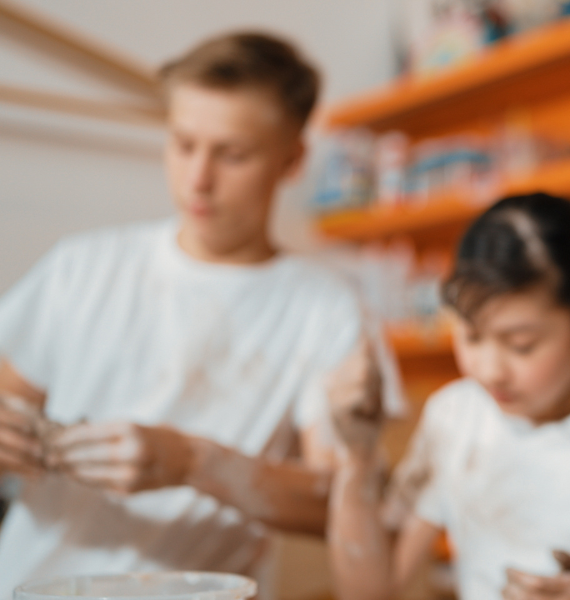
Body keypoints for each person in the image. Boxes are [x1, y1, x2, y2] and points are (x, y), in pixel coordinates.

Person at [0, 32, 365, 598]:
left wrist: (195, 462)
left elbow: (341, 500)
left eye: (233, 154)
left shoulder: (327, 307)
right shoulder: (82, 268)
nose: (198, 178)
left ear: (292, 158)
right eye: (182, 144)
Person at [327, 194, 570, 600]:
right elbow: (374, 591)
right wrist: (357, 456)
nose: (490, 370)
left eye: (521, 344)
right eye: (472, 335)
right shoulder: (455, 416)